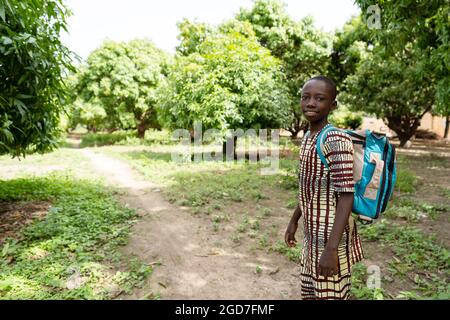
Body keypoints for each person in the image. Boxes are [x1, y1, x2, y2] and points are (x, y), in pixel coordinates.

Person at [285, 75, 364, 300]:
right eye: (305, 97)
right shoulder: (309, 137)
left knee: (331, 294)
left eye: (320, 98)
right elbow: (310, 187)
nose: (311, 103)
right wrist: (294, 220)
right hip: (312, 235)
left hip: (331, 236)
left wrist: (331, 250)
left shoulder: (335, 139)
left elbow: (346, 196)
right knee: (310, 293)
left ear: (333, 105)